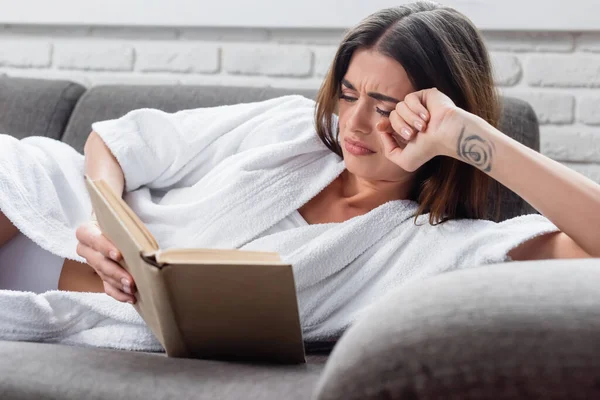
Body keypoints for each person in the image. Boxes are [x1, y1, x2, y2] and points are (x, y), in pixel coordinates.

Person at [0, 1, 597, 333]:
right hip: (52, 205)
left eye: (387, 106)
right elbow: (120, 141)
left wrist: (469, 137)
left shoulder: (437, 251)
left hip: (68, 304)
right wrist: (108, 222)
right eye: (348, 92)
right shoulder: (292, 129)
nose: (356, 125)